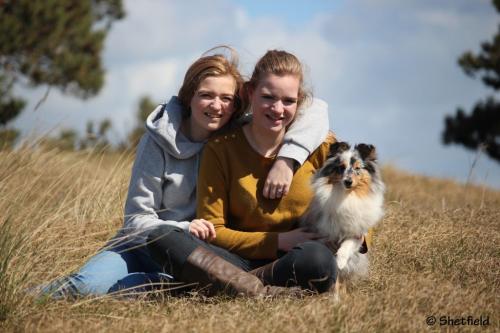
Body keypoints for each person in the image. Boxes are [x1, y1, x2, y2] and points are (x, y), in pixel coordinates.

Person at [39, 46, 330, 298]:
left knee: (133, 288)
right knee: (84, 287)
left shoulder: (237, 131)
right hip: (148, 244)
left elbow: (314, 108)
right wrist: (182, 228)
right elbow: (136, 219)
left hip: (205, 255)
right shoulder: (160, 141)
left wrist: (287, 160)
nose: (217, 106)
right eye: (206, 95)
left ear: (239, 100)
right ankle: (25, 299)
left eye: (226, 98)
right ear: (189, 96)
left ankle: (185, 287)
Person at [147, 50, 337, 295]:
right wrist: (279, 241)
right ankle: (259, 291)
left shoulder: (320, 146)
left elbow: (358, 196)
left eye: (288, 101)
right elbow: (214, 230)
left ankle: (230, 286)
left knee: (318, 260)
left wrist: (355, 237)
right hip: (234, 260)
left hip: (295, 259)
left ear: (299, 101)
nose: (278, 109)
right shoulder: (221, 149)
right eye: (268, 97)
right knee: (162, 236)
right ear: (250, 92)